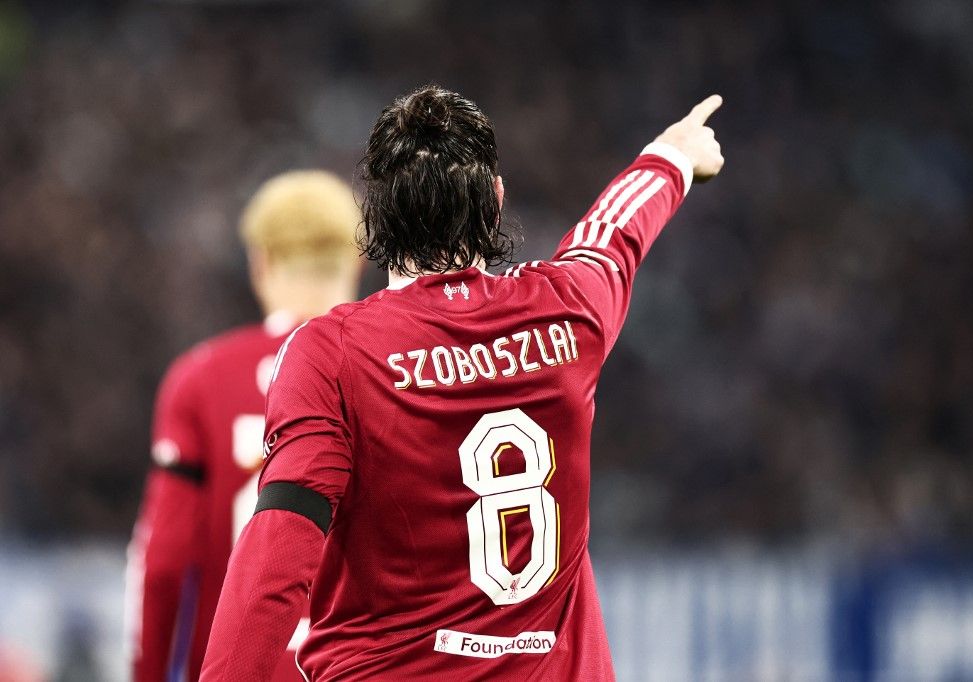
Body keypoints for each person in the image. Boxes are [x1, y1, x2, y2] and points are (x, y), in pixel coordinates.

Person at [200, 85, 724, 681]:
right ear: (496, 201)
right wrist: (673, 156)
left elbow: (280, 546)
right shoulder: (568, 309)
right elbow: (612, 234)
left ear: (374, 217)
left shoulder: (332, 353)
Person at [126, 171, 363, 682]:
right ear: (358, 259)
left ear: (260, 261)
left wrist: (148, 674)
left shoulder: (201, 377)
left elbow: (162, 564)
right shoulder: (399, 369)